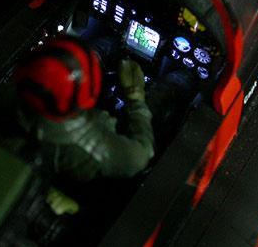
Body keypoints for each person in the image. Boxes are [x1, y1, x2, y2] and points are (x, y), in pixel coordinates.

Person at [14, 35, 154, 182]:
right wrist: (136, 98)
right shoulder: (84, 147)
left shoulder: (14, 95)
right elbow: (141, 156)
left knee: (102, 45)